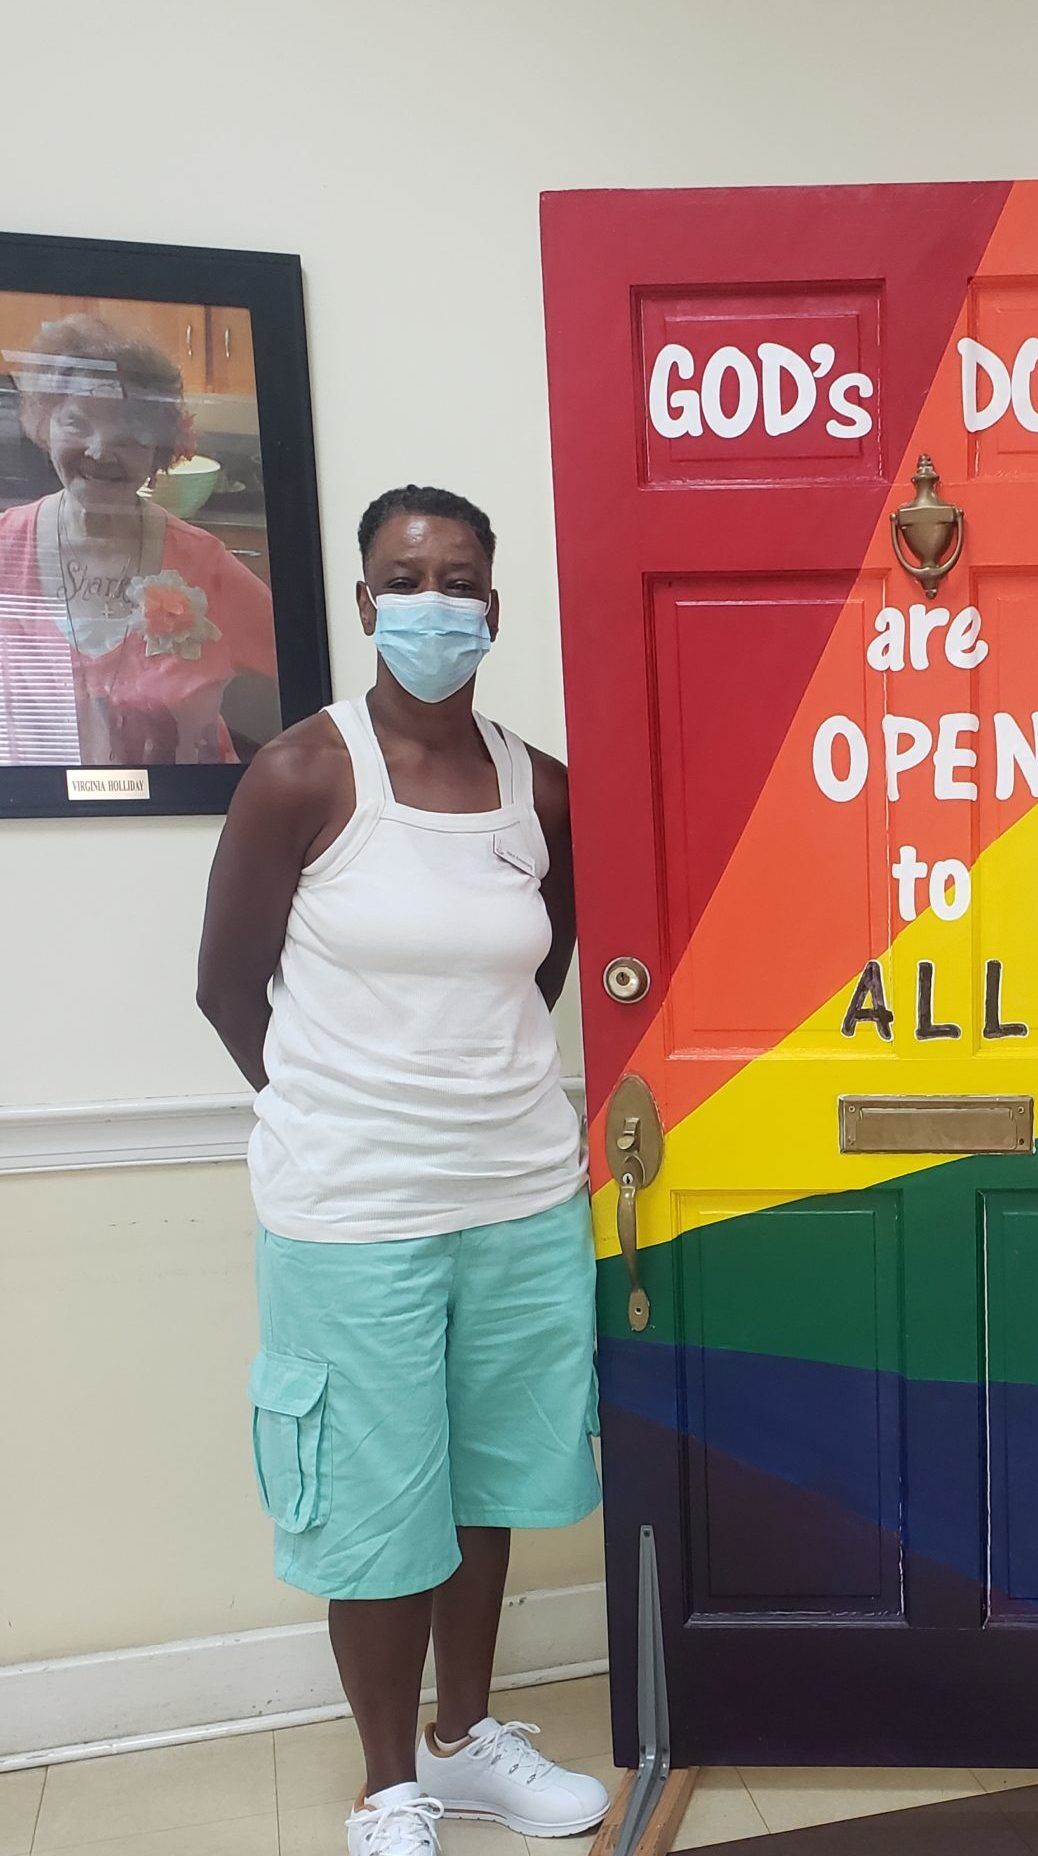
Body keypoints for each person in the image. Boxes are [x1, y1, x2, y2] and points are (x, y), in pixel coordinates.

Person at [196, 486, 607, 1856]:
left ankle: (468, 1739)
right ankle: (389, 1788)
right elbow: (225, 988)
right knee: (379, 1511)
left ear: (495, 602)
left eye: (461, 575)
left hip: (518, 1198)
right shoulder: (305, 775)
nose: (436, 599)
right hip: (354, 1213)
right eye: (406, 577)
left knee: (486, 1487)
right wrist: (336, 1111)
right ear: (367, 604)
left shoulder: (536, 783)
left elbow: (540, 975)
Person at [0, 314, 276, 764]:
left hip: (178, 815)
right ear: (43, 424)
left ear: (159, 449)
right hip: (36, 820)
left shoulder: (202, 562)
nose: (99, 450)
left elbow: (307, 667)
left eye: (129, 434)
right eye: (76, 422)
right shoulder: (3, 547)